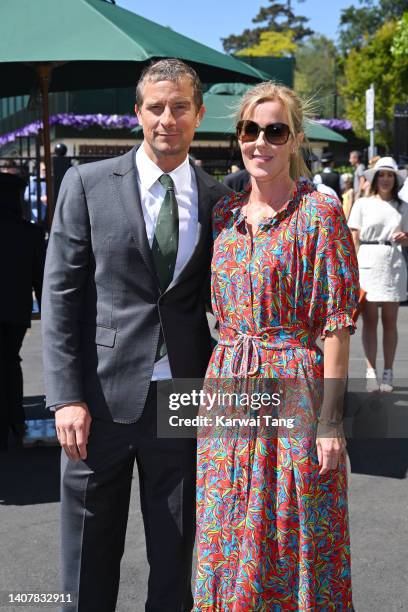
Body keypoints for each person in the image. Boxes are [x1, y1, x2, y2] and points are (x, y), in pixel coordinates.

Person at [42, 59, 230, 612]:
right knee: (87, 552)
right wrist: (66, 397)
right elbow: (60, 298)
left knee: (175, 552)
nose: (166, 119)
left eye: (179, 108)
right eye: (155, 107)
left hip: (183, 400)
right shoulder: (87, 183)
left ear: (197, 115)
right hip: (97, 400)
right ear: (137, 114)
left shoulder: (221, 199)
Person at [194, 82, 359, 610]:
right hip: (228, 387)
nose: (259, 142)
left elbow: (336, 324)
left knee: (290, 524)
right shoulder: (225, 215)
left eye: (274, 130)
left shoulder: (320, 214)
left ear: (295, 139)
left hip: (294, 389)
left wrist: (331, 423)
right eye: (249, 130)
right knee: (226, 522)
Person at [348, 157, 408, 392]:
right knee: (370, 321)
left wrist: (405, 238)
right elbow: (354, 237)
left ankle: (388, 371)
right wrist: (352, 268)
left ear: (395, 179)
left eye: (389, 175)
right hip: (368, 260)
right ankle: (370, 370)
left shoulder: (403, 206)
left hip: (393, 261)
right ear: (374, 178)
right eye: (381, 175)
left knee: (390, 322)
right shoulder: (362, 204)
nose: (385, 179)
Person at [0, 173, 45, 450]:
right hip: (16, 309)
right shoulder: (30, 232)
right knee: (9, 360)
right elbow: (40, 279)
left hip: (14, 307)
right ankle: (15, 417)